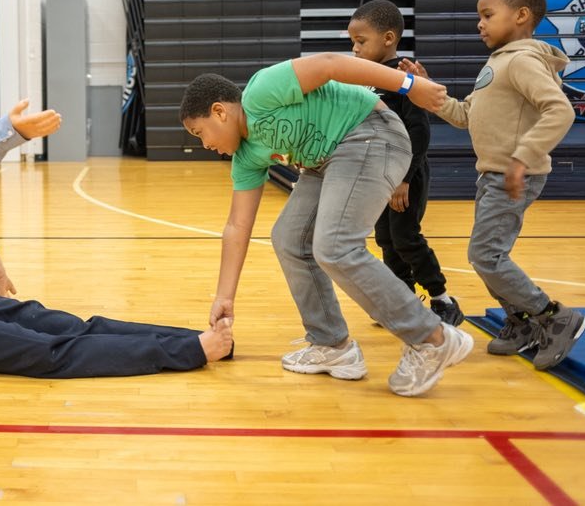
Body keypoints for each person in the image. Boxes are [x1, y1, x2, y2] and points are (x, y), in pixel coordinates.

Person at [0, 79, 234, 378]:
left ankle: (197, 339)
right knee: (52, 352)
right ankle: (192, 351)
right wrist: (8, 131)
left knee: (80, 327)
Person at [179, 53, 474, 397]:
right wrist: (224, 297)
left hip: (370, 133)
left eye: (200, 133)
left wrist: (410, 85)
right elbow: (236, 227)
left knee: (335, 246)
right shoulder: (247, 157)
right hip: (327, 162)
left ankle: (432, 338)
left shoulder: (261, 92)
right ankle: (332, 345)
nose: (205, 145)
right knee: (289, 238)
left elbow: (331, 64)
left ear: (219, 111)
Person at [401, 0, 585, 370]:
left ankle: (553, 317)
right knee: (486, 255)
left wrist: (523, 157)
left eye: (487, 15)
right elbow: (465, 115)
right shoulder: (499, 62)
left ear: (521, 15)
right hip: (492, 174)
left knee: (485, 255)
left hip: (512, 174)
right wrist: (428, 90)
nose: (480, 24)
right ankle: (520, 321)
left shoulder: (522, 61)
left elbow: (560, 110)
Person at [347, 0, 464, 326]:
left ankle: (443, 300)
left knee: (406, 238)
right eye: (353, 42)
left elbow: (419, 131)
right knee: (386, 239)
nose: (355, 49)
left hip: (405, 176)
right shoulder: (365, 79)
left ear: (388, 38)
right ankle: (403, 301)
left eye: (361, 41)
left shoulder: (402, 77)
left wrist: (404, 179)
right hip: (379, 176)